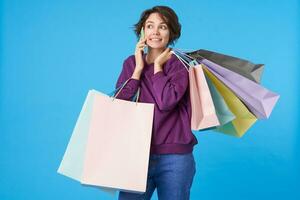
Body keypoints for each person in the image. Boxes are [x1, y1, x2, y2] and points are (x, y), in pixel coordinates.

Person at [115, 5, 198, 200]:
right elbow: (119, 103)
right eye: (150, 26)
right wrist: (137, 70)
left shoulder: (181, 65)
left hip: (175, 158)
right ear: (142, 31)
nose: (155, 32)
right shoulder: (130, 63)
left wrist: (158, 67)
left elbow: (167, 101)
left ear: (171, 32)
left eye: (163, 26)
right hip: (137, 154)